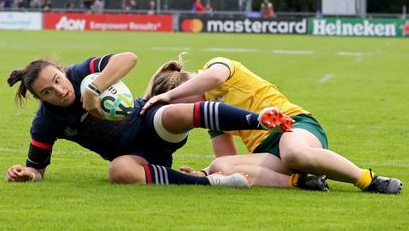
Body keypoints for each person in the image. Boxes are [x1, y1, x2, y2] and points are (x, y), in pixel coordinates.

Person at [4, 52, 305, 189]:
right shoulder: (45, 123)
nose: (59, 90)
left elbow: (128, 58)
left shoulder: (80, 73)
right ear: (40, 98)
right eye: (48, 91)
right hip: (138, 156)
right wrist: (27, 175)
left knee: (173, 112)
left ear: (61, 70)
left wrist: (94, 89)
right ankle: (213, 183)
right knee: (118, 170)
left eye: (57, 80)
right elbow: (37, 168)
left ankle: (260, 120)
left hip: (146, 121)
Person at [142, 54, 403, 194]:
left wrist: (169, 97)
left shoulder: (216, 67)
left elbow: (216, 75)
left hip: (296, 128)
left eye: (179, 103)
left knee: (294, 151)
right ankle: (303, 182)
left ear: (182, 89)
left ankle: (368, 180)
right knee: (219, 166)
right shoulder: (211, 117)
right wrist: (204, 173)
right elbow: (230, 165)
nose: (186, 113)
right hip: (269, 155)